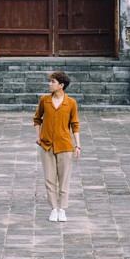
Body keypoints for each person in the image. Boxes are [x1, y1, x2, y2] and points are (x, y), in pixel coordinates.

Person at [33, 71, 81, 222]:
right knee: (49, 179)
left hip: (65, 146)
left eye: (52, 82)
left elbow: (75, 125)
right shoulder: (44, 100)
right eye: (50, 81)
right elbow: (37, 119)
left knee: (64, 179)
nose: (49, 84)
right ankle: (54, 208)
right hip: (46, 145)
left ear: (61, 85)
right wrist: (38, 136)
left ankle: (62, 209)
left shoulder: (71, 103)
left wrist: (78, 146)